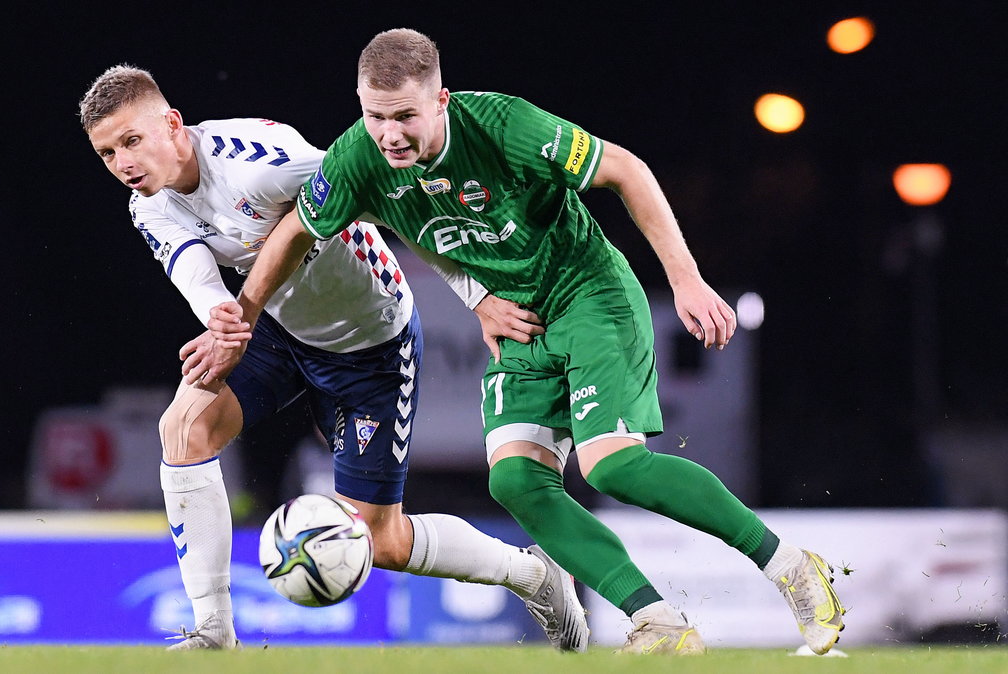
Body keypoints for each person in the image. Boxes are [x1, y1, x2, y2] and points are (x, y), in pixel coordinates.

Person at [201, 29, 846, 655]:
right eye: (375, 116)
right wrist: (245, 317)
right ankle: (656, 621)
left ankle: (789, 565)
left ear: (441, 100)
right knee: (515, 482)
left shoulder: (506, 127)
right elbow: (297, 232)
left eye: (405, 116)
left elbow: (626, 169)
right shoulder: (358, 159)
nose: (390, 134)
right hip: (520, 318)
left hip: (587, 293)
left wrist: (686, 279)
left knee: (610, 465)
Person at [77, 65, 589, 651]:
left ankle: (533, 574)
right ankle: (213, 633)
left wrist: (476, 295)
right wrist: (221, 323)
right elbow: (201, 283)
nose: (123, 164)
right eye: (107, 153)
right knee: (183, 428)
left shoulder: (258, 159)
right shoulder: (147, 205)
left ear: (171, 124)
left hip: (370, 344)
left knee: (384, 542)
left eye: (131, 141)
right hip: (273, 327)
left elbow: (389, 192)